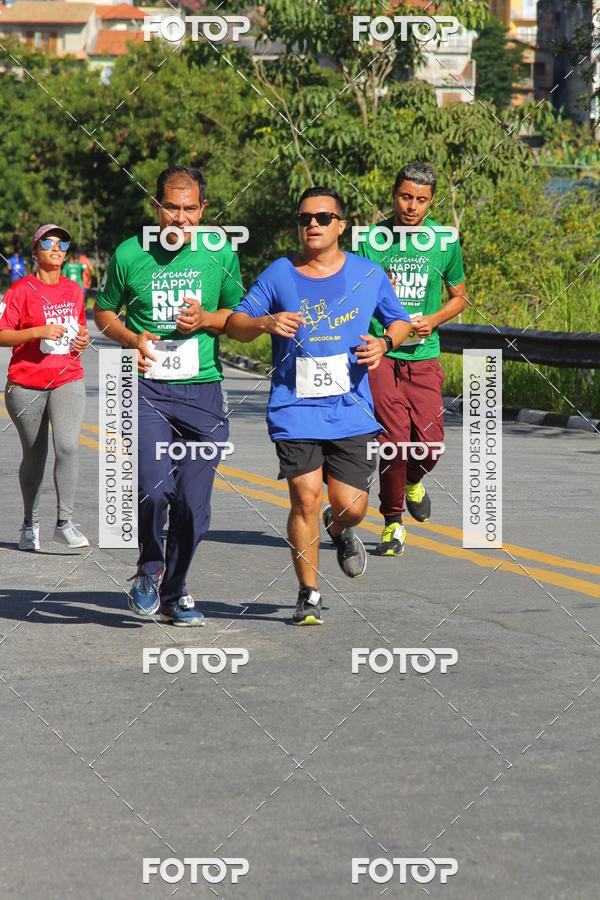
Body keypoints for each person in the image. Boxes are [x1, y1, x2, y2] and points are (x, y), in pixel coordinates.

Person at [227, 187, 411, 626]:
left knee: (351, 505)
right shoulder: (279, 274)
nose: (313, 224)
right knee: (303, 498)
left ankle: (341, 526)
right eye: (305, 217)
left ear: (341, 226)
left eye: (324, 217)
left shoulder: (368, 273)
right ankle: (307, 594)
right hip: (295, 410)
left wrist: (385, 343)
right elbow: (235, 324)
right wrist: (265, 322)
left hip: (351, 411)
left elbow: (400, 320)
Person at [94, 165, 242, 626]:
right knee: (153, 490)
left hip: (203, 392)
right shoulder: (129, 254)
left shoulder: (221, 254)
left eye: (190, 209)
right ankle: (148, 570)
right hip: (148, 388)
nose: (180, 218)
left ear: (203, 209)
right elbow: (102, 312)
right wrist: (130, 339)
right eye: (171, 208)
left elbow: (237, 315)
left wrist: (208, 321)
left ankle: (176, 591)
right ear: (155, 207)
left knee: (195, 509)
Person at [358, 161, 466, 557]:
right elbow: (354, 294)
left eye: (421, 199)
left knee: (430, 445)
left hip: (424, 356)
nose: (412, 206)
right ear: (394, 195)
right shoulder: (371, 240)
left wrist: (434, 319)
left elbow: (460, 296)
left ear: (431, 202)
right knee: (393, 441)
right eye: (406, 197)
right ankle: (392, 523)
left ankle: (411, 481)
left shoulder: (444, 241)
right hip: (382, 354)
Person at [0, 224, 90, 551]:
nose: (57, 247)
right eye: (48, 242)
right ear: (35, 252)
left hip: (68, 376)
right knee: (35, 456)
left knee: (67, 446)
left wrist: (81, 341)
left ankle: (64, 522)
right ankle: (29, 523)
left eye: (62, 242)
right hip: (26, 383)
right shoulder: (21, 290)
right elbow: (2, 334)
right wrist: (37, 332)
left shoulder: (74, 290)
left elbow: (77, 334)